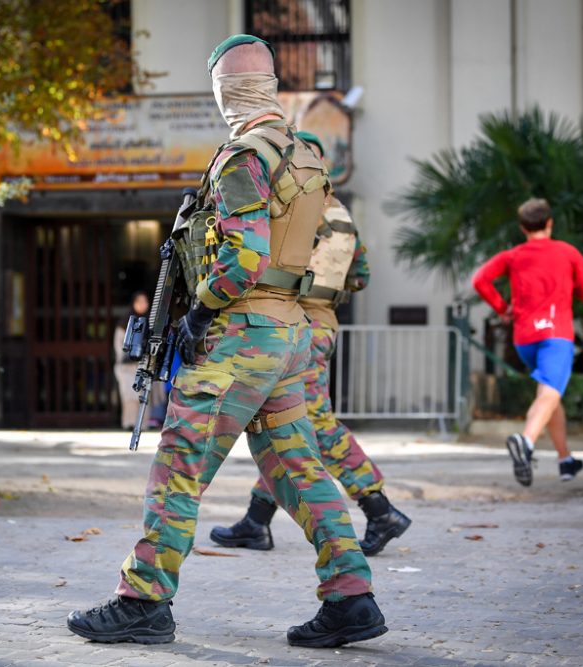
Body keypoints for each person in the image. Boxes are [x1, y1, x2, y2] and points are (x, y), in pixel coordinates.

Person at [66, 35, 386, 649]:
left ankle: (144, 600)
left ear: (226, 91)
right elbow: (332, 257)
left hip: (240, 336)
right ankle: (351, 596)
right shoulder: (307, 157)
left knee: (179, 463)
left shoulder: (245, 158)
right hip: (289, 335)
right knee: (299, 469)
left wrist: (198, 314)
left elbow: (241, 259)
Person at [210, 131, 411, 556]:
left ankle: (379, 508)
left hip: (296, 322)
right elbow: (362, 276)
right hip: (322, 323)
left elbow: (264, 258)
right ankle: (256, 520)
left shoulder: (301, 203)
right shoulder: (339, 213)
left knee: (312, 422)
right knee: (284, 422)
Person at [471, 198, 583, 486]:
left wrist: (501, 307)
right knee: (548, 394)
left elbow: (480, 280)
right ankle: (526, 442)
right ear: (549, 222)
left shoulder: (513, 255)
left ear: (522, 227)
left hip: (525, 339)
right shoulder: (566, 252)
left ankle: (565, 459)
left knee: (550, 395)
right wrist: (573, 288)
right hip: (555, 335)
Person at [114, 291, 151, 430]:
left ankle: (143, 424)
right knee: (129, 395)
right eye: (139, 302)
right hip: (126, 366)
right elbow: (119, 344)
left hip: (143, 365)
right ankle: (129, 423)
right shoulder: (126, 322)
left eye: (144, 302)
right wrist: (127, 355)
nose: (142, 305)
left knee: (143, 395)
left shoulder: (150, 321)